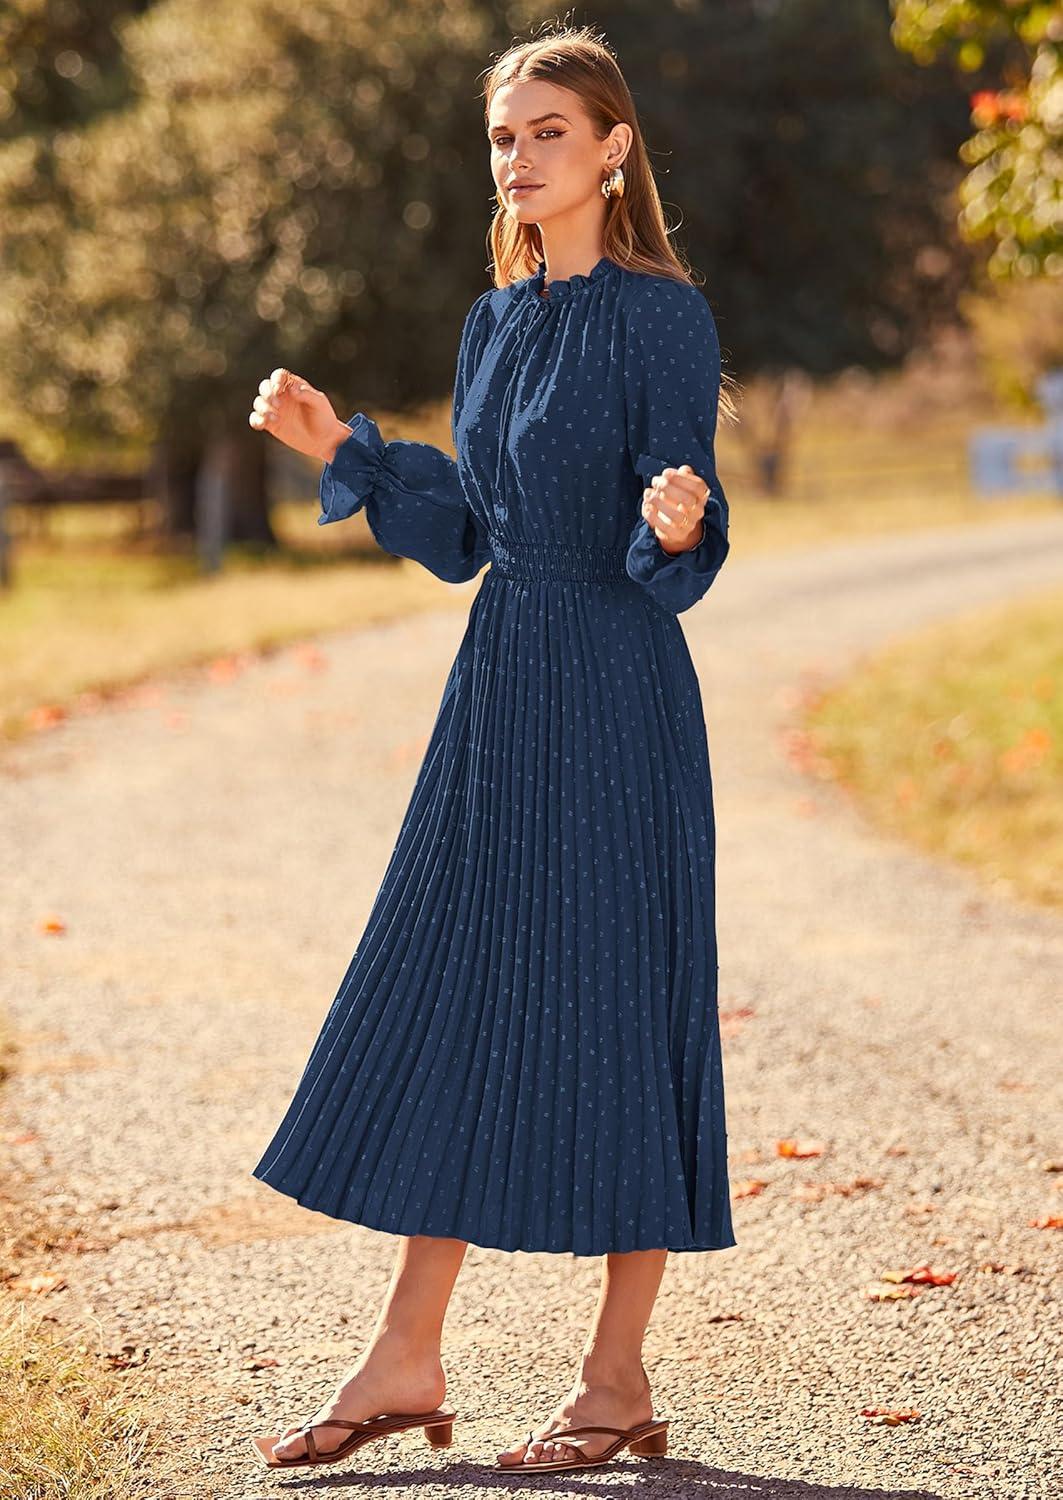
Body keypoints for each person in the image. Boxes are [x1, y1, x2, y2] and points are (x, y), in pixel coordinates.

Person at [245, 23, 738, 1477]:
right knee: (455, 986)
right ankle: (407, 1354)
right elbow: (466, 534)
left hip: (619, 688)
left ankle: (616, 1379)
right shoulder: (494, 323)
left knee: (624, 996)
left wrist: (680, 525)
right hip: (501, 683)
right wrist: (343, 453)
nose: (518, 159)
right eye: (503, 139)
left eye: (546, 133)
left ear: (614, 149)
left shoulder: (663, 318)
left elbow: (684, 515)